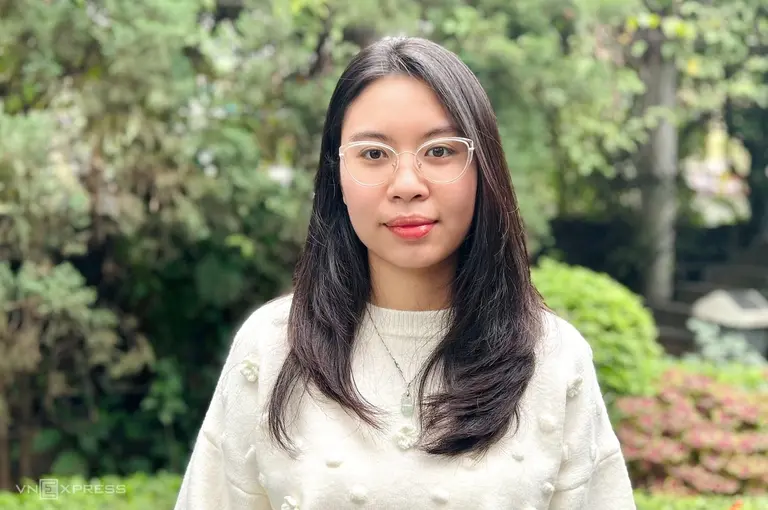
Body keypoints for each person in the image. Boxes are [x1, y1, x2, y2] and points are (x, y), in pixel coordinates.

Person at [174, 36, 636, 510]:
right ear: (337, 175)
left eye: (440, 151)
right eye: (374, 154)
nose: (407, 185)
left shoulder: (554, 357)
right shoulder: (272, 347)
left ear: (483, 169)